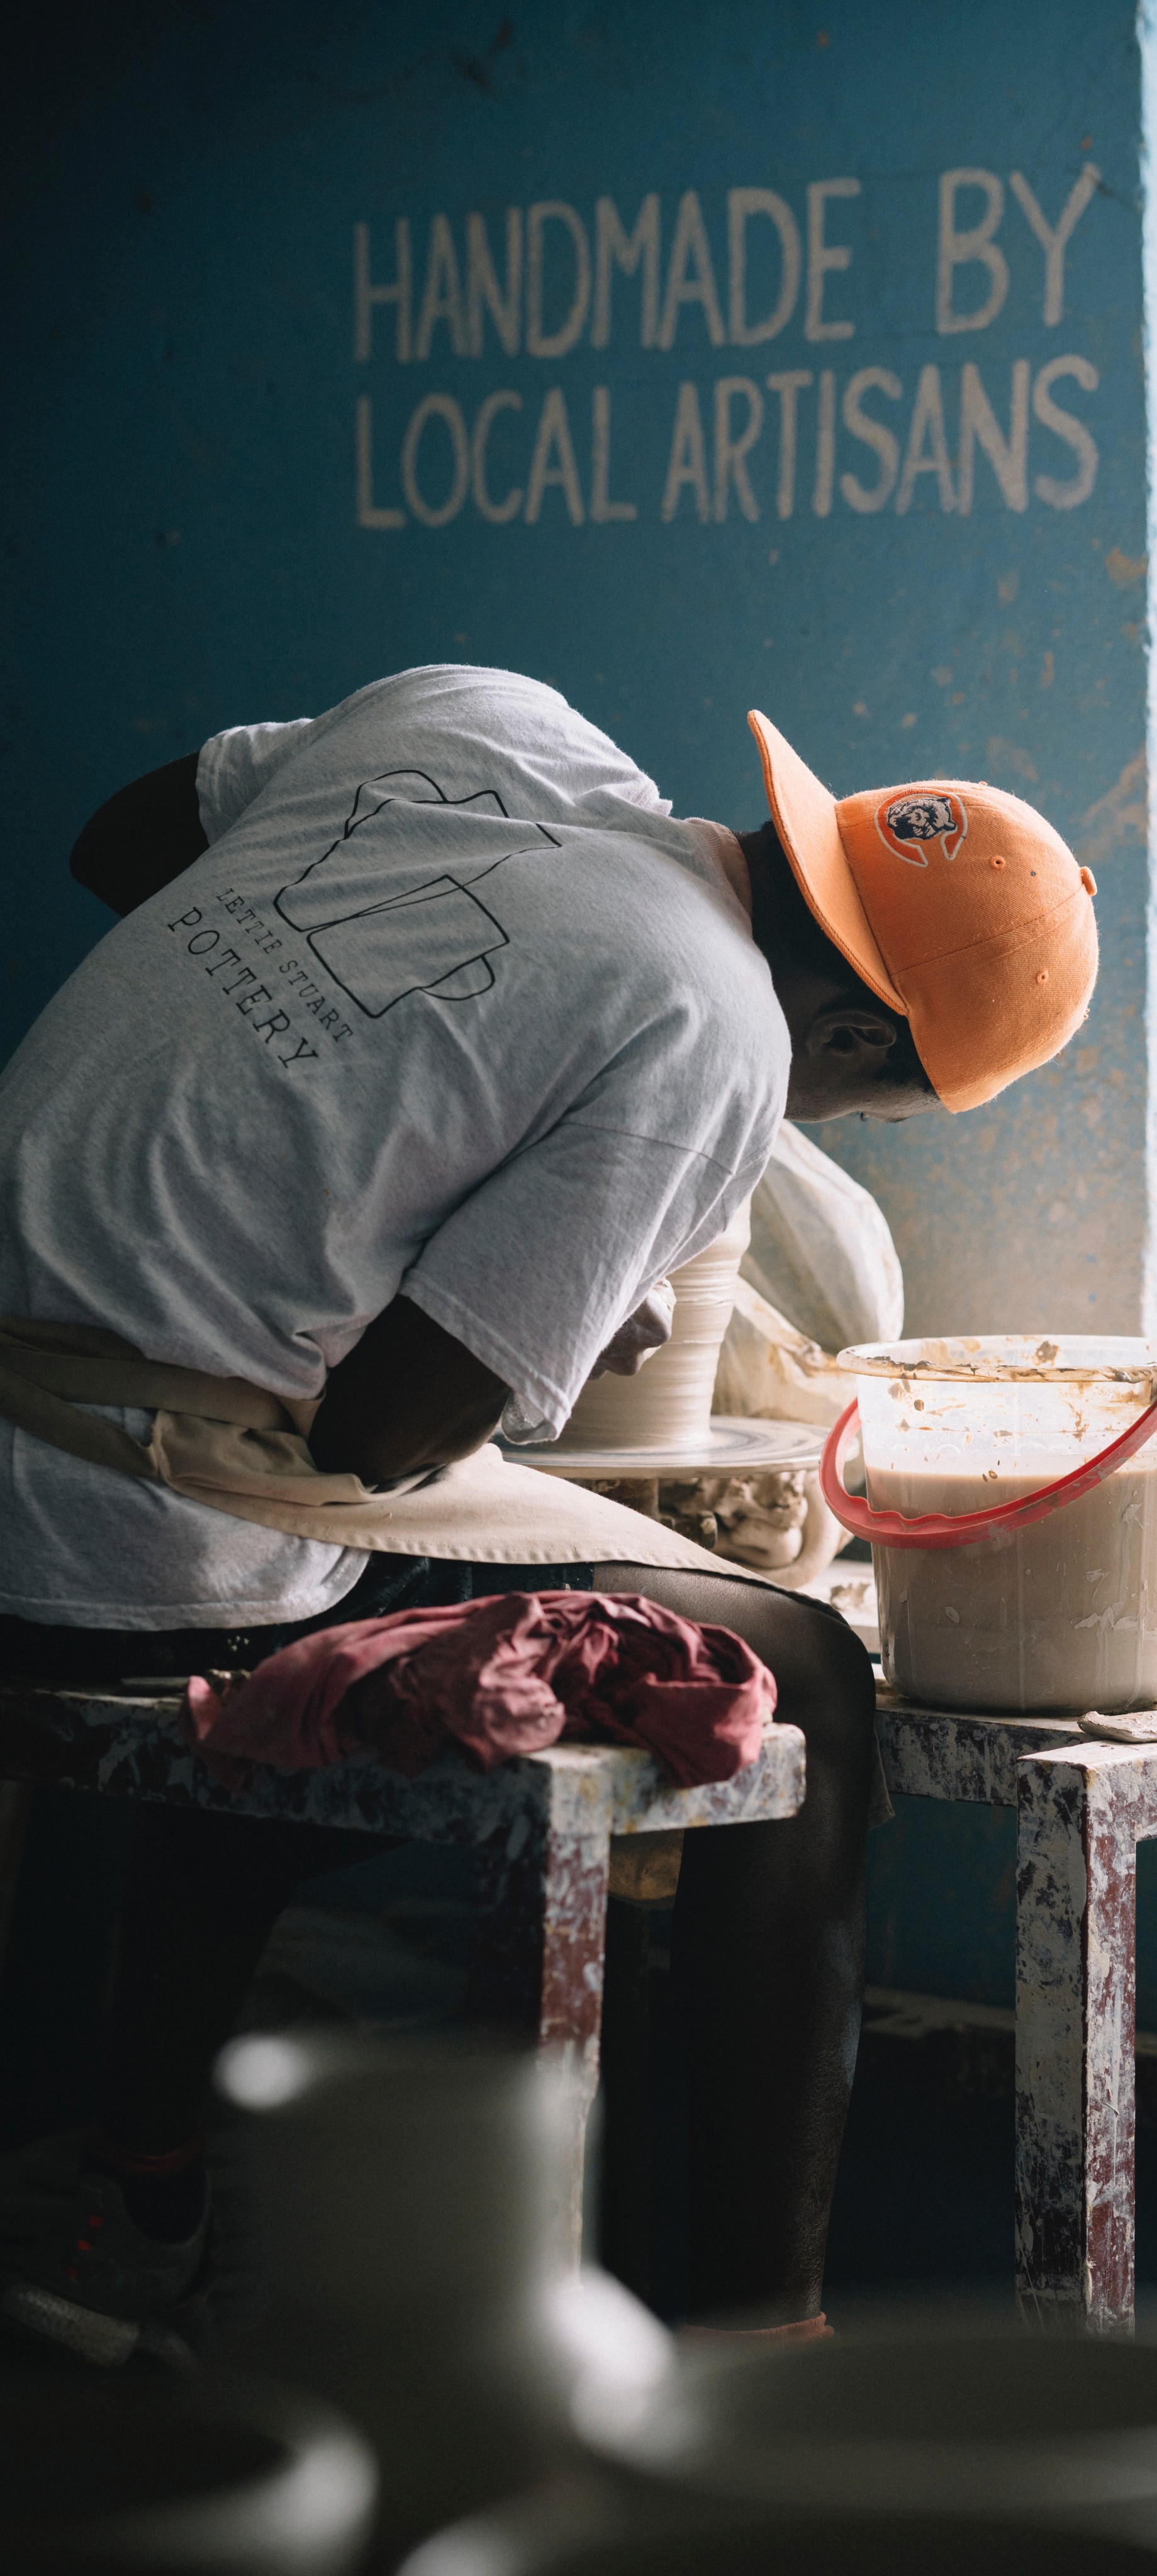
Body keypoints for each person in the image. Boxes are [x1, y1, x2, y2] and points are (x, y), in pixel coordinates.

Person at [0, 664, 1098, 2361]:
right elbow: (383, 1431)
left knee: (329, 1580)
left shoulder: (482, 719)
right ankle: (761, 2339)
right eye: (861, 1107)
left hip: (41, 1399)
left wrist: (319, 1093)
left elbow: (114, 843)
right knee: (801, 1661)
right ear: (865, 1037)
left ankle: (143, 2176)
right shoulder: (718, 1026)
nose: (822, 1119)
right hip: (108, 1521)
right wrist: (548, 1298)